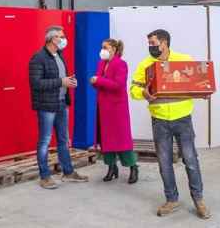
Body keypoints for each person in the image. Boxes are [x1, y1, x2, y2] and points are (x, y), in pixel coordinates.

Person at [130, 29, 210, 219]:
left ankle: (198, 200)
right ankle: (172, 199)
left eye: (153, 43)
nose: (150, 47)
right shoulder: (146, 64)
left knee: (190, 160)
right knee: (164, 163)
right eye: (149, 44)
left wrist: (204, 89)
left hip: (183, 119)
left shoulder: (184, 60)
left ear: (164, 43)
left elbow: (201, 78)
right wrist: (142, 93)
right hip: (160, 121)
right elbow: (133, 88)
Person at [28, 25, 88, 189]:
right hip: (47, 106)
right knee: (45, 141)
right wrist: (61, 82)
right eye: (60, 37)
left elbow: (61, 78)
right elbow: (36, 83)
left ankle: (68, 172)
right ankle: (45, 176)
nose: (63, 39)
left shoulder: (59, 55)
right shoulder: (38, 58)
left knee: (63, 139)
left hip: (61, 103)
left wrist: (69, 82)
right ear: (51, 39)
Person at [90, 39, 138, 184]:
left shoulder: (121, 64)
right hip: (104, 107)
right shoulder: (101, 63)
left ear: (114, 49)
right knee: (106, 139)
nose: (102, 50)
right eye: (101, 47)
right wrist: (95, 82)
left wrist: (98, 80)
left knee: (122, 139)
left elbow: (118, 85)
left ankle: (133, 167)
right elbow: (100, 83)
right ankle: (111, 167)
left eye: (105, 47)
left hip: (117, 108)